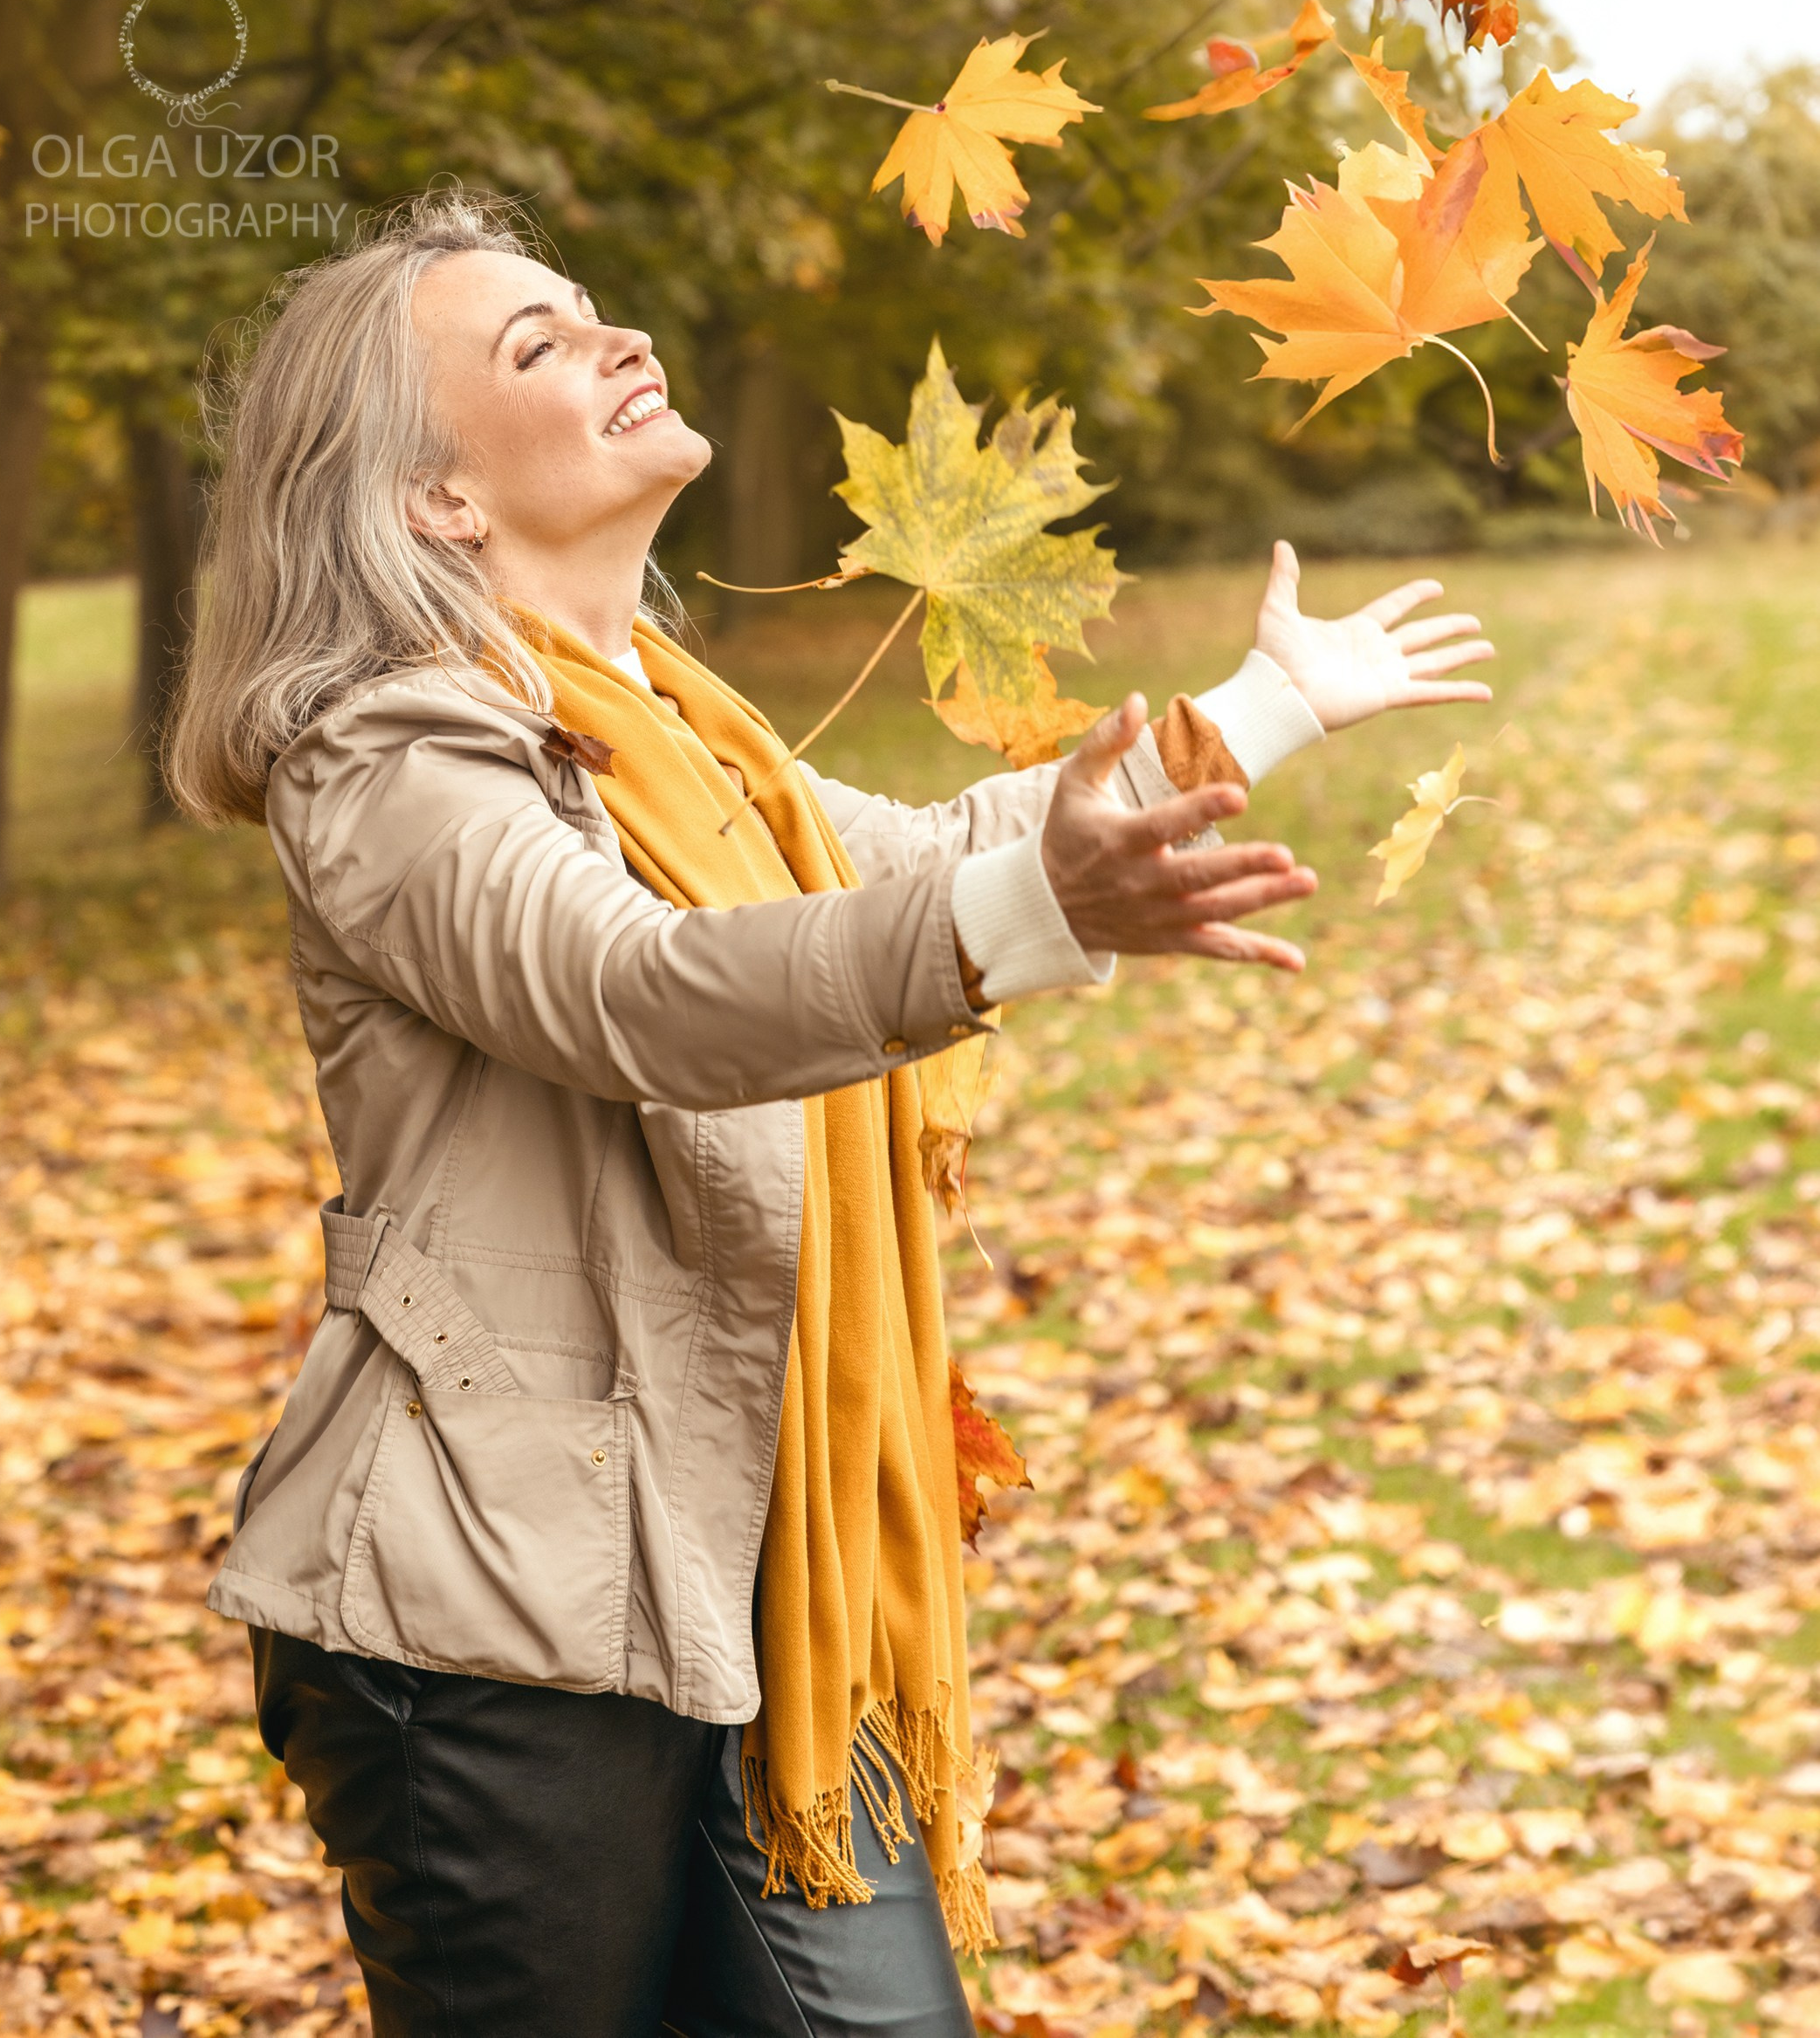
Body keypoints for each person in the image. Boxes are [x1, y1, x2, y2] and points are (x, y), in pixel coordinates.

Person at [165, 189, 1491, 2038]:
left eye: (593, 303)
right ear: (433, 496)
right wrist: (1029, 916)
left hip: (763, 1569)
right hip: (497, 1624)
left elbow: (927, 858)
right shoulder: (382, 749)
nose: (621, 339)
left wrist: (1259, 711)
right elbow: (636, 991)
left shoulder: (688, 731)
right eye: (537, 344)